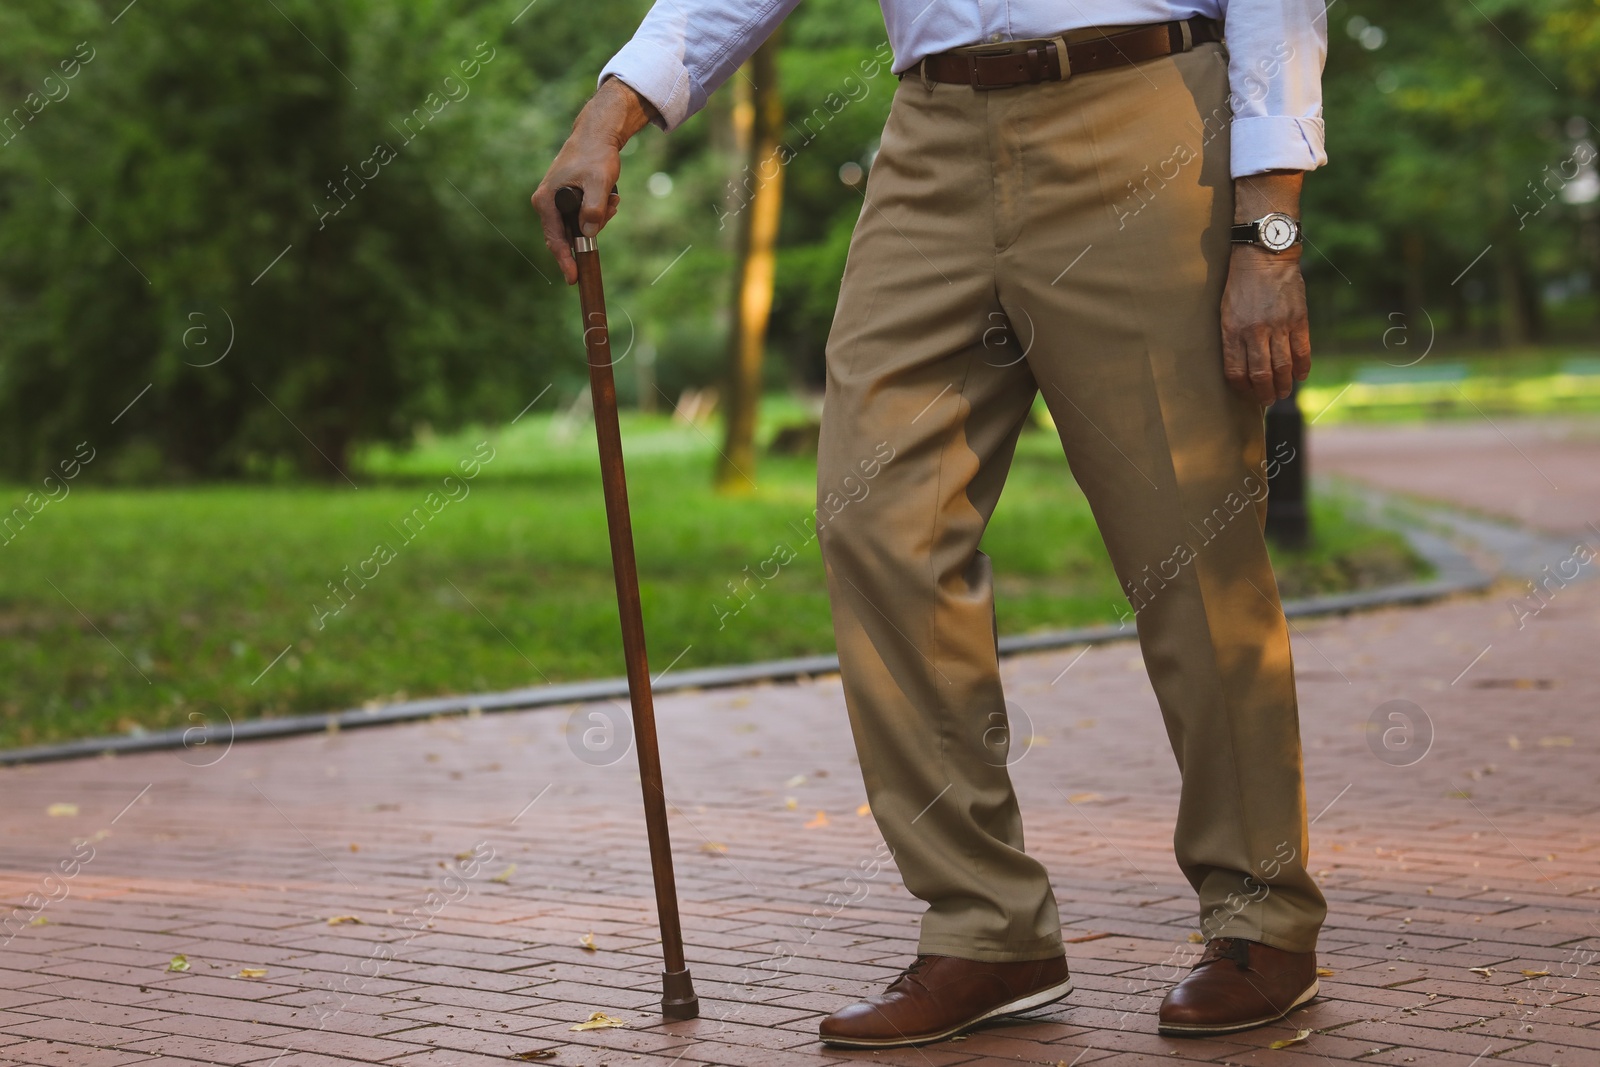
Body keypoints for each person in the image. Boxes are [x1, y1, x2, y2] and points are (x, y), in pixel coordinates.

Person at [534, 0, 1330, 1048]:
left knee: (1187, 540)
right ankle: (983, 922)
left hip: (1145, 115)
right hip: (931, 136)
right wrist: (610, 110)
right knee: (876, 513)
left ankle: (1259, 916)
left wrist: (1267, 229)